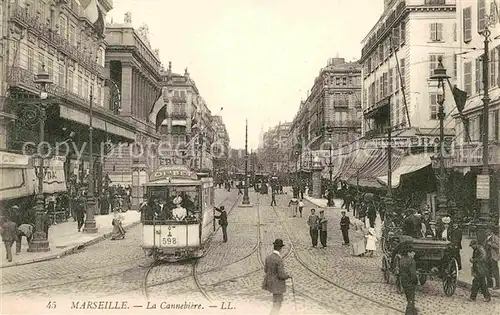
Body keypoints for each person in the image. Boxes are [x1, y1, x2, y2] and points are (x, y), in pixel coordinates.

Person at [262, 239, 291, 315]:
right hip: (277, 285)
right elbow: (281, 275)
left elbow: (265, 270)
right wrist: (288, 275)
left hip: (270, 283)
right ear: (280, 248)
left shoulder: (268, 257)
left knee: (276, 301)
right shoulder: (279, 259)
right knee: (278, 303)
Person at [399, 244, 418, 314]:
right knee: (411, 300)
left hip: (404, 282)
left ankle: (414, 312)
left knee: (409, 299)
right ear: (408, 253)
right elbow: (413, 274)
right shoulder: (412, 261)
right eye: (412, 252)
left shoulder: (402, 259)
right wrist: (416, 281)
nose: (414, 253)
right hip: (410, 283)